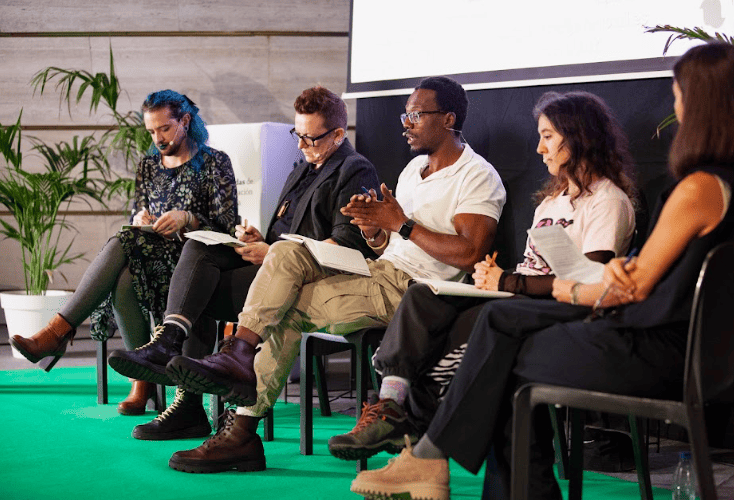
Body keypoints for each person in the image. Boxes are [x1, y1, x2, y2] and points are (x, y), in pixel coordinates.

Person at [350, 42, 734, 500]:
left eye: (677, 96)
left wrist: (593, 280)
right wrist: (624, 270)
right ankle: (433, 458)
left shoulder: (699, 187)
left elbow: (633, 287)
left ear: (700, 104)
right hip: (694, 352)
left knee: (501, 346)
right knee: (499, 336)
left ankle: (427, 456)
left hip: (658, 350)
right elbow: (653, 273)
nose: (675, 109)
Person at [163, 76, 506, 473]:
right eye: (405, 115)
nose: (406, 124)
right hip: (380, 270)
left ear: (448, 119)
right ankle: (239, 358)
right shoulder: (415, 169)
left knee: (286, 309)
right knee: (287, 250)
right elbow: (390, 245)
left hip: (417, 292)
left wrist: (400, 223)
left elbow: (471, 254)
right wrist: (374, 231)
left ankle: (240, 430)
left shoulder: (476, 175)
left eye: (416, 116)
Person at [328, 90, 637, 461]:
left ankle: (416, 442)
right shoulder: (551, 202)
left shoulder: (607, 200)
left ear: (580, 137)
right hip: (520, 294)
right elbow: (533, 266)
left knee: (458, 332)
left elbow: (590, 280)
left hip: (562, 307)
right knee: (423, 296)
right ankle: (392, 406)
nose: (540, 149)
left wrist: (506, 281)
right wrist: (495, 277)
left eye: (548, 137)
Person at [106, 86, 380, 439]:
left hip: (308, 280)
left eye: (310, 138)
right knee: (199, 247)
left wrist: (272, 252)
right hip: (274, 267)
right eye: (297, 134)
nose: (300, 145)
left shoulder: (354, 170)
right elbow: (284, 236)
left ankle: (186, 401)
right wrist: (259, 241)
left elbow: (347, 246)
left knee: (198, 288)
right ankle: (170, 343)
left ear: (338, 134)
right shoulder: (303, 169)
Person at [10, 90, 237, 416]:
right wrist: (140, 219)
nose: (158, 138)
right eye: (151, 131)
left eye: (165, 128)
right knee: (124, 269)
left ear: (185, 121)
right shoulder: (149, 165)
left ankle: (58, 334)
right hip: (153, 256)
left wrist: (188, 218)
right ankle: (139, 378)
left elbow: (227, 226)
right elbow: (137, 212)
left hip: (196, 263)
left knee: (123, 252)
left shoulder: (216, 163)